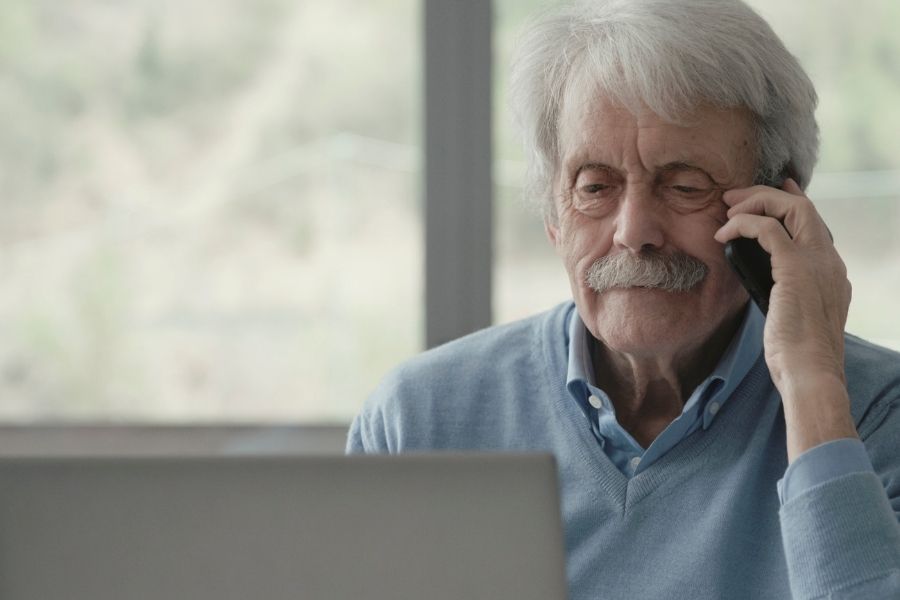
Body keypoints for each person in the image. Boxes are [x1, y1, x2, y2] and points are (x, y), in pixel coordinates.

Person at [347, 0, 900, 598]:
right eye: (594, 187)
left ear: (778, 210)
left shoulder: (877, 414)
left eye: (685, 185)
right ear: (553, 217)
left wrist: (815, 390)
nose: (634, 231)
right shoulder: (418, 421)